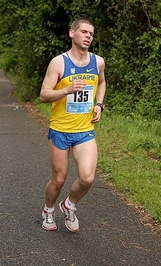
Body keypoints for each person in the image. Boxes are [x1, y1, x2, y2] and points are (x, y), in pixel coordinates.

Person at [39, 17, 106, 232]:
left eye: (91, 34)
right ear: (72, 33)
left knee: (87, 178)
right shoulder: (59, 62)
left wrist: (99, 105)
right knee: (58, 179)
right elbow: (44, 95)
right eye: (84, 32)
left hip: (85, 130)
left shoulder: (98, 62)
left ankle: (69, 205)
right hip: (60, 129)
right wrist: (66, 90)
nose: (88, 36)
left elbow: (102, 82)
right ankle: (48, 210)